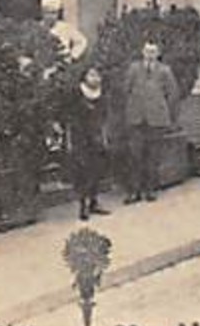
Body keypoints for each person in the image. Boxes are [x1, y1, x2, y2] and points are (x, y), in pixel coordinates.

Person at [122, 41, 180, 203]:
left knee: (153, 156)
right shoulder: (133, 68)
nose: (150, 54)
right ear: (142, 52)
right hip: (136, 118)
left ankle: (151, 189)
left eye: (153, 51)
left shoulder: (164, 70)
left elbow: (173, 94)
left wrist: (165, 113)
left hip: (156, 119)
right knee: (135, 155)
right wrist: (132, 108)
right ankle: (134, 191)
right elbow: (125, 90)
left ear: (158, 53)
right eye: (147, 51)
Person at [64, 66, 111, 221]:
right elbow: (68, 115)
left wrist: (104, 135)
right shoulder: (76, 93)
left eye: (97, 75)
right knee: (82, 170)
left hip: (96, 136)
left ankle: (94, 201)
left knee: (96, 169)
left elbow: (104, 115)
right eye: (91, 75)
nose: (95, 78)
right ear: (84, 77)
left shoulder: (102, 94)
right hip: (80, 136)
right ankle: (83, 204)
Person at [40, 0, 88, 65]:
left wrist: (72, 56)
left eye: (53, 13)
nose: (50, 16)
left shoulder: (65, 28)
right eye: (47, 13)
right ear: (42, 13)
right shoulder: (37, 27)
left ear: (58, 14)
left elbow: (82, 41)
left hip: (62, 64)